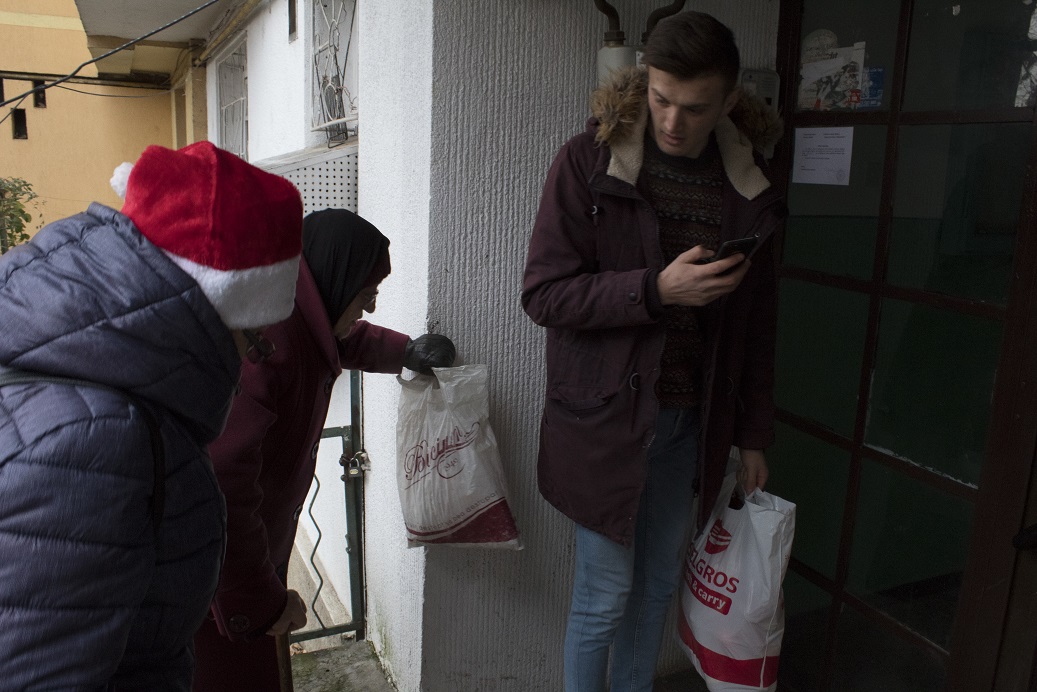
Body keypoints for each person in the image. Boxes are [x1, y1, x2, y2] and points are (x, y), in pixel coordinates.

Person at [521, 11, 786, 692]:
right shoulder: (589, 160)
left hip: (688, 424)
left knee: (658, 585)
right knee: (605, 592)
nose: (672, 121)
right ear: (644, 80)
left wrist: (751, 434)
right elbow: (544, 295)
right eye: (661, 99)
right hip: (605, 420)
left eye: (693, 108)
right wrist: (654, 289)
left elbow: (757, 323)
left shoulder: (747, 188)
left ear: (728, 100)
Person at [0, 141, 304, 689]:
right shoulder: (95, 438)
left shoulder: (82, 367)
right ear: (216, 306)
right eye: (253, 335)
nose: (248, 357)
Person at [192, 208, 456, 692]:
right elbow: (223, 483)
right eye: (367, 294)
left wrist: (407, 352)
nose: (370, 308)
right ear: (335, 280)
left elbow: (345, 341)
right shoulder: (270, 341)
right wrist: (258, 602)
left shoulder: (301, 316)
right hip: (219, 574)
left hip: (249, 552)